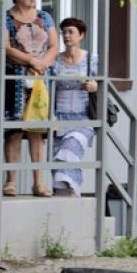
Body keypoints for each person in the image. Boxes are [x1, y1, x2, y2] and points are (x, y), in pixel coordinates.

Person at [2, 0, 58, 197]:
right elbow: (6, 47)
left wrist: (43, 62)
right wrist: (30, 60)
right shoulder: (7, 18)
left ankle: (38, 182)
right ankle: (11, 181)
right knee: (14, 130)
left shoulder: (45, 18)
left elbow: (54, 45)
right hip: (15, 79)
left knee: (37, 131)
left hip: (40, 81)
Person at [48, 17, 100, 196]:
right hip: (59, 117)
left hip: (82, 118)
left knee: (70, 149)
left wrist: (95, 86)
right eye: (64, 32)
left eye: (71, 32)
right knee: (57, 162)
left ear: (81, 35)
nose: (66, 36)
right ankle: (65, 202)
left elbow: (103, 84)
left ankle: (73, 194)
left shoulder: (91, 59)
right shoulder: (56, 60)